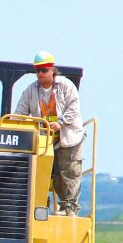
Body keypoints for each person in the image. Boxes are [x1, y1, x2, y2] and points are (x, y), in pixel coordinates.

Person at [14, 51, 84, 215]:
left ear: (52, 69)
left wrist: (60, 123)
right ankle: (39, 205)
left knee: (69, 172)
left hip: (68, 136)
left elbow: (74, 108)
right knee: (44, 173)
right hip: (44, 140)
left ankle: (69, 208)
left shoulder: (66, 86)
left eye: (43, 70)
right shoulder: (31, 91)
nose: (40, 74)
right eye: (37, 70)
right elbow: (19, 113)